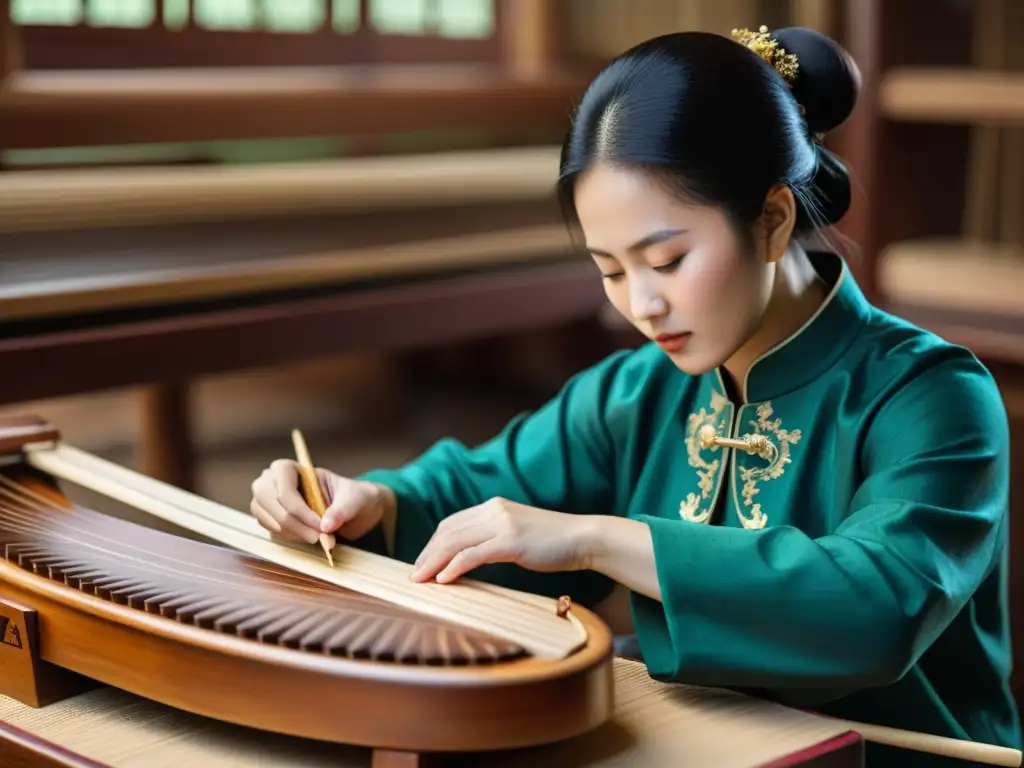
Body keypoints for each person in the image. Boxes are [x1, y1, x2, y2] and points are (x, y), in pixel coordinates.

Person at [250, 24, 1020, 767]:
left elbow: (878, 605)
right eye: (611, 271)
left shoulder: (932, 397)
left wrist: (597, 539)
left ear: (773, 219)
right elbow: (475, 490)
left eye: (668, 259)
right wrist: (368, 502)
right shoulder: (636, 390)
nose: (641, 305)